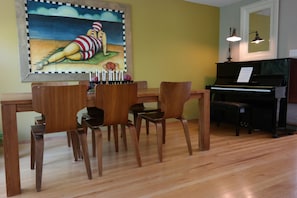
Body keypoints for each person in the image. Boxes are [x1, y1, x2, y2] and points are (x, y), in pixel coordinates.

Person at [36, 21, 109, 70]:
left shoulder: (91, 31)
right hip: (92, 48)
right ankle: (47, 62)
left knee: (65, 53)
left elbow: (87, 38)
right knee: (67, 54)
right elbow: (104, 45)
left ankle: (45, 63)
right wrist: (105, 53)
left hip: (86, 41)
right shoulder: (102, 34)